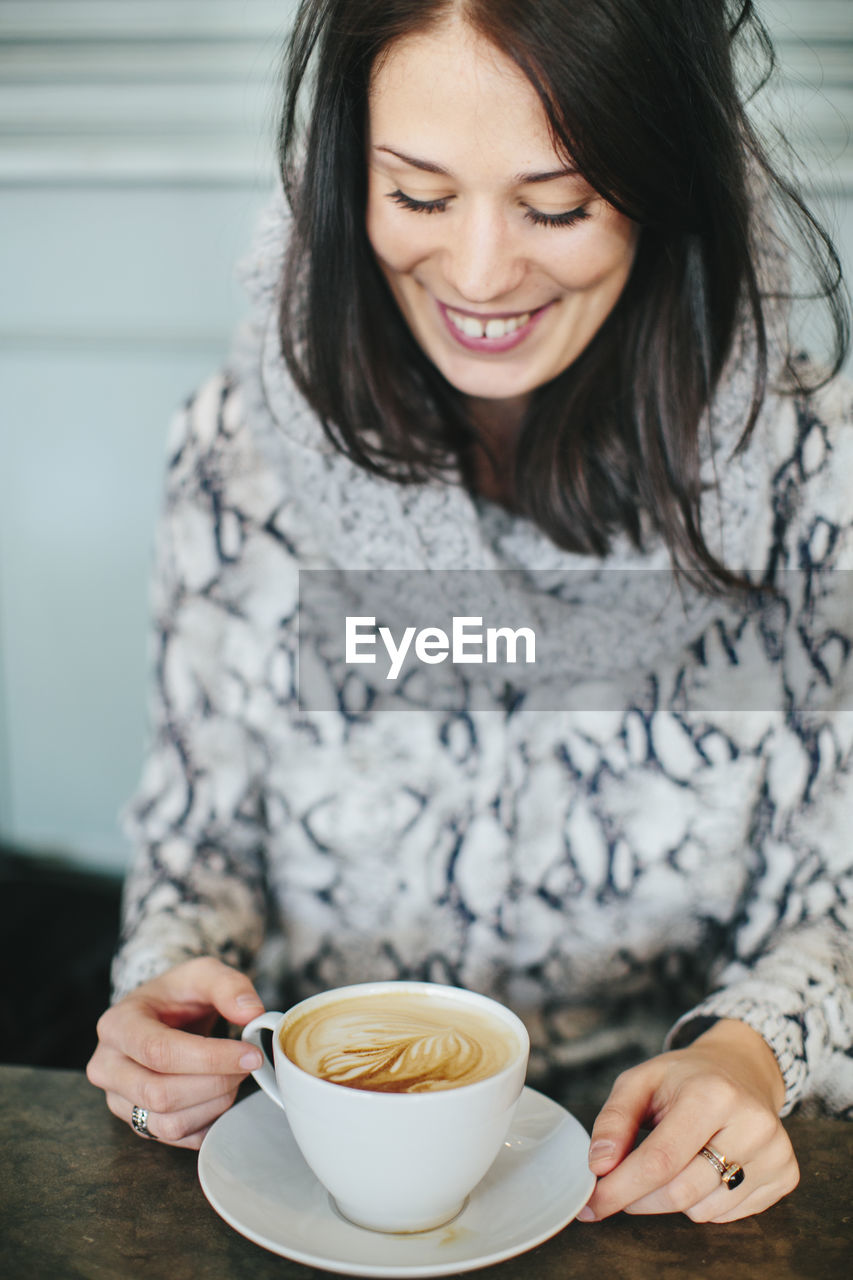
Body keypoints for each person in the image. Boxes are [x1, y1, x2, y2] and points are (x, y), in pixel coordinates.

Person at [87, 0, 853, 1225]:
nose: (483, 274)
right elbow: (200, 849)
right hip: (307, 1164)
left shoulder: (807, 473)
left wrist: (744, 1062)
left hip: (640, 1193)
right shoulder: (242, 460)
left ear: (664, 180)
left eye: (555, 205)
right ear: (348, 174)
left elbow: (826, 900)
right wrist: (167, 1004)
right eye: (420, 196)